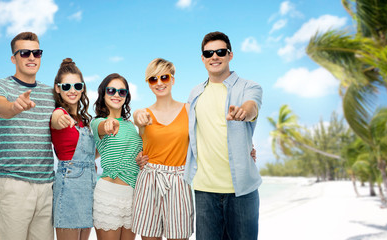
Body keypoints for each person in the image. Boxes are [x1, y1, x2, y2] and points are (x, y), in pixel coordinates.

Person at [184, 31, 263, 240]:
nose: (214, 57)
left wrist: (243, 112)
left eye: (220, 51)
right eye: (208, 53)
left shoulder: (249, 86)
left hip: (242, 191)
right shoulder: (195, 94)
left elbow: (252, 106)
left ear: (230, 55)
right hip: (204, 190)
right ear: (202, 58)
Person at [0, 32, 55, 240]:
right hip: (14, 185)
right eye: (25, 53)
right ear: (14, 59)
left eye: (37, 52)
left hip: (47, 187)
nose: (32, 57)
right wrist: (14, 106)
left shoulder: (51, 94)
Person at [131, 58, 194, 240]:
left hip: (179, 180)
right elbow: (137, 119)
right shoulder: (143, 114)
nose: (159, 83)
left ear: (172, 80)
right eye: (153, 79)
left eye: (164, 77)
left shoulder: (188, 110)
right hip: (150, 180)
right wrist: (137, 115)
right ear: (149, 84)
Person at [91, 73, 142, 240]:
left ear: (126, 96)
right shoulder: (97, 122)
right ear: (103, 93)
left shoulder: (131, 126)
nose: (116, 95)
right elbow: (102, 127)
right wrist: (108, 124)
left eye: (122, 92)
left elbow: (136, 155)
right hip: (108, 196)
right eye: (111, 90)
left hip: (133, 196)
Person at [50, 58, 96, 240]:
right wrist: (60, 119)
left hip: (90, 184)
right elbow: (56, 119)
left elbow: (90, 154)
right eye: (66, 86)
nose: (72, 91)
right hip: (69, 184)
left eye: (77, 86)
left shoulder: (85, 120)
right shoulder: (59, 113)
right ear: (57, 88)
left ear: (83, 87)